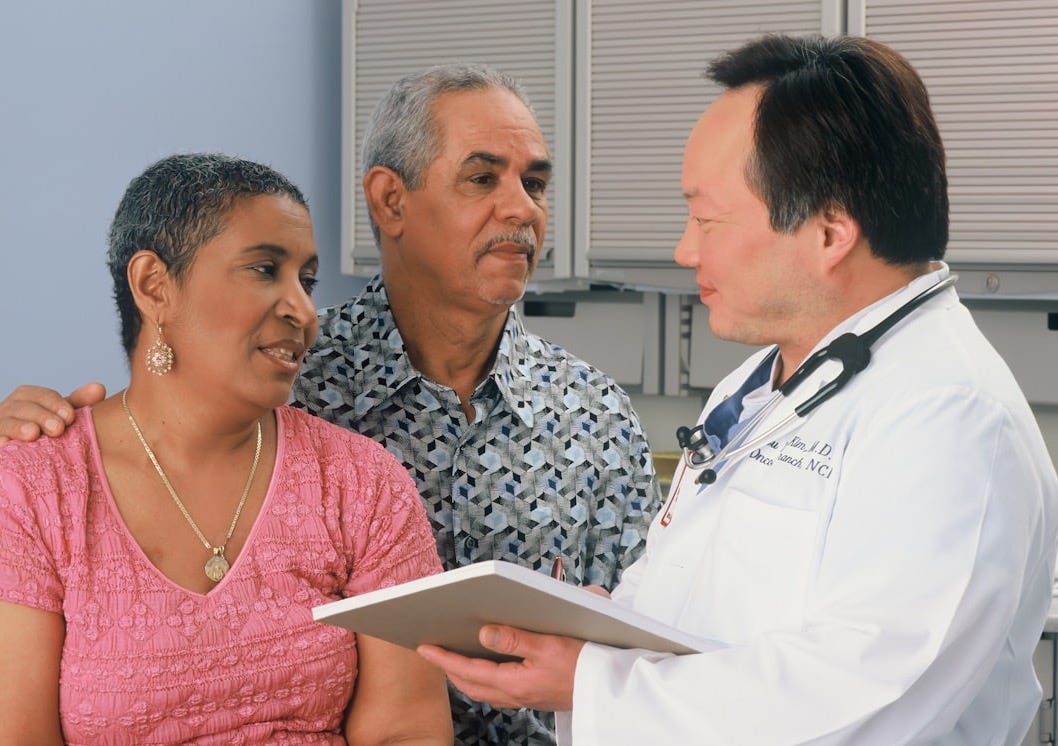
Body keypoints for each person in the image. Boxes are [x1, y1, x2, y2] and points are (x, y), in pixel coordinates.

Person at [415, 34, 1058, 745]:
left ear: (829, 232)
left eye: (708, 218)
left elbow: (868, 698)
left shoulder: (950, 418)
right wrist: (607, 628)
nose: (685, 250)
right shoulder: (763, 380)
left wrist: (591, 680)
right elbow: (711, 592)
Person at [0, 65, 659, 745]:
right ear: (389, 202)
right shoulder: (280, 374)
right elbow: (156, 415)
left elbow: (649, 650)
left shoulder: (594, 415)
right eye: (483, 177)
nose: (523, 209)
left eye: (537, 184)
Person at [0, 153, 452, 745]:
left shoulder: (361, 483)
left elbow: (407, 731)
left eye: (306, 281)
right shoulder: (36, 487)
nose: (304, 310)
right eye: (265, 269)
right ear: (154, 286)